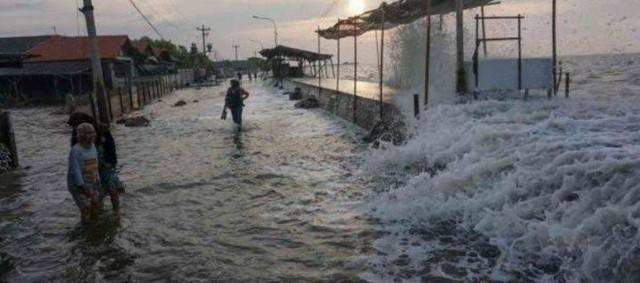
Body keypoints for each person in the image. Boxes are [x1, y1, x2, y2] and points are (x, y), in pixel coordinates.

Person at [67, 123, 100, 224]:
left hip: (91, 181)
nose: (93, 135)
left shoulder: (93, 147)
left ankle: (95, 226)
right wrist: (81, 185)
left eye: (93, 133)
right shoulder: (76, 151)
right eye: (89, 133)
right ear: (82, 135)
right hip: (77, 185)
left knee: (96, 204)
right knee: (86, 207)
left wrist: (98, 178)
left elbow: (96, 163)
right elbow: (75, 170)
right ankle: (85, 229)